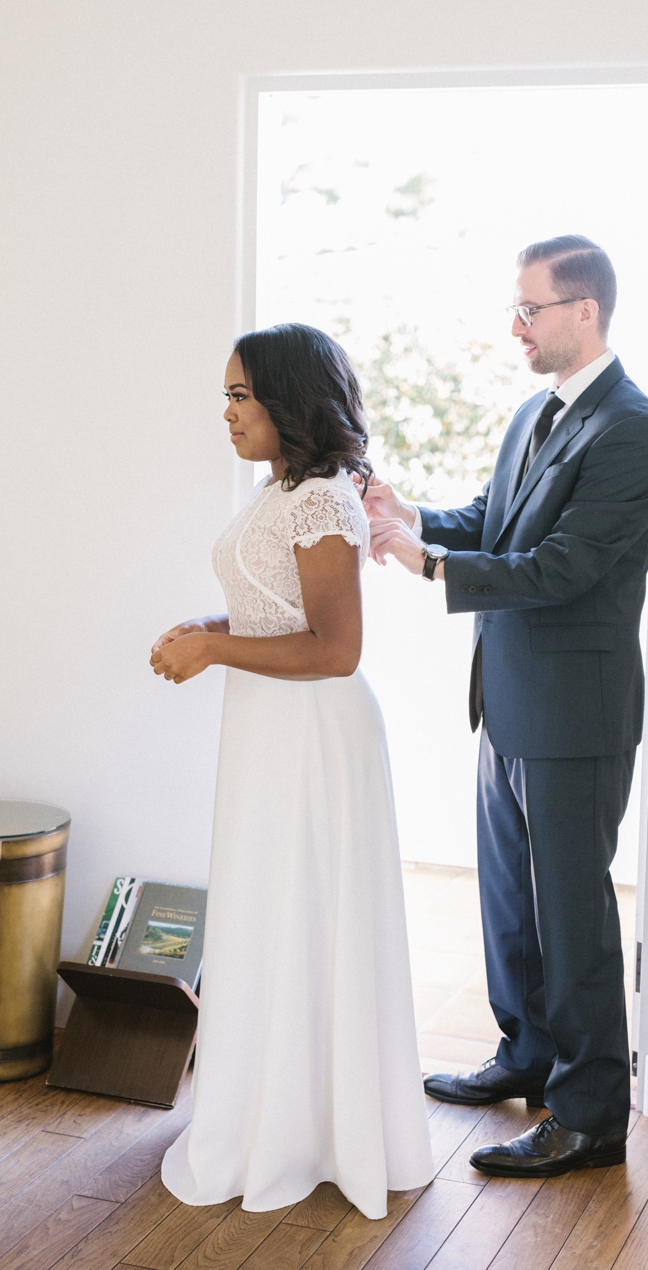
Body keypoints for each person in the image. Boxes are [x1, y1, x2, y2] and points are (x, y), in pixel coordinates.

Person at [364, 235, 648, 1178]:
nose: (516, 327)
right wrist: (410, 515)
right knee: (510, 905)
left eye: (529, 310)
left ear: (585, 312)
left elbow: (564, 567)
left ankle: (588, 1117)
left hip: (576, 718)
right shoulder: (533, 416)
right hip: (505, 707)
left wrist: (428, 565)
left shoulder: (633, 429)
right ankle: (526, 1057)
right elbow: (494, 522)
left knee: (573, 918)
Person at [150, 323, 434, 1218]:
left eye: (243, 397)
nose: (228, 414)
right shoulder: (283, 492)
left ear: (289, 401)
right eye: (225, 398)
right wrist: (207, 629)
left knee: (305, 912)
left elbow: (337, 650)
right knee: (268, 911)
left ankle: (312, 1131)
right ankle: (269, 1113)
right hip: (270, 732)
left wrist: (217, 652)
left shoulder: (323, 501)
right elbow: (273, 609)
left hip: (314, 735)